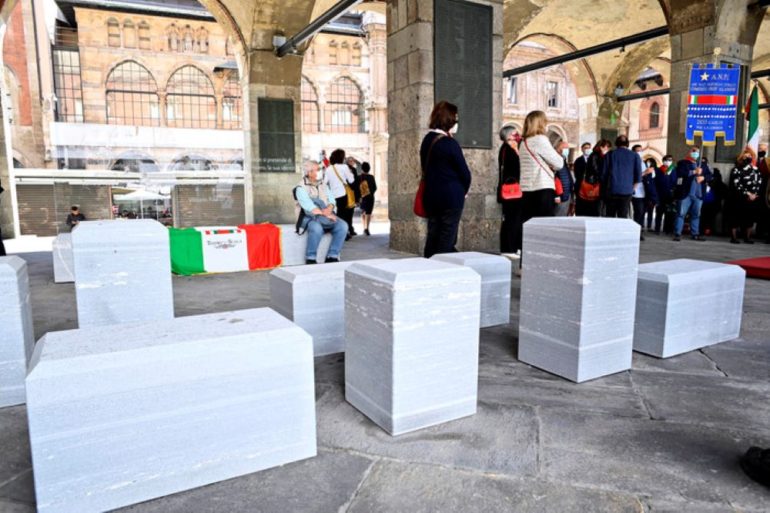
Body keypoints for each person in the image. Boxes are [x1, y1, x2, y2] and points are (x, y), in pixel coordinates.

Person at [420, 100, 471, 258]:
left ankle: (428, 265)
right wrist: (464, 191)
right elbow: (465, 173)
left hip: (431, 196)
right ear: (449, 120)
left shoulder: (427, 140)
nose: (457, 121)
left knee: (433, 234)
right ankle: (442, 270)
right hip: (451, 197)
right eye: (456, 118)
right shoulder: (450, 143)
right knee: (447, 238)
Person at [294, 159, 348, 263]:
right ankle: (311, 257)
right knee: (316, 227)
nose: (320, 172)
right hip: (308, 217)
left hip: (325, 215)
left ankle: (332, 255)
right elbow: (310, 207)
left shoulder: (323, 184)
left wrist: (330, 207)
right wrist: (327, 215)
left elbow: (332, 200)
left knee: (342, 226)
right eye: (317, 170)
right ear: (309, 173)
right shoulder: (300, 187)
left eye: (320, 169)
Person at [519, 110, 564, 226]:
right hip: (541, 188)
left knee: (529, 226)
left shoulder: (523, 143)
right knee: (544, 227)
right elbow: (559, 163)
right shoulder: (540, 139)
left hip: (525, 189)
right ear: (540, 123)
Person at [672, 146, 711, 241]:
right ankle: (677, 233)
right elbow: (680, 173)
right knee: (681, 214)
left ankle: (695, 234)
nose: (695, 153)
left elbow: (710, 175)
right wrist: (694, 171)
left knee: (696, 215)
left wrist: (704, 178)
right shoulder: (683, 163)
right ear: (689, 152)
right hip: (686, 193)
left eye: (697, 152)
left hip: (698, 194)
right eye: (693, 151)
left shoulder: (702, 164)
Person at [496, 125, 522, 256]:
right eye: (515, 134)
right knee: (511, 219)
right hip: (511, 190)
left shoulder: (511, 148)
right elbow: (514, 169)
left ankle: (513, 246)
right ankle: (508, 248)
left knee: (514, 218)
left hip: (512, 190)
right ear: (508, 136)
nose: (517, 136)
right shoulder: (507, 149)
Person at [601, 135, 642, 219]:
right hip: (626, 191)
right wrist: (632, 189)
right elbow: (638, 176)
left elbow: (603, 175)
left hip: (611, 191)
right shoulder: (635, 156)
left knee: (610, 216)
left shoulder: (609, 155)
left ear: (616, 143)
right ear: (627, 144)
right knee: (623, 216)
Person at [726, 148, 761, 244]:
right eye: (746, 156)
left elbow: (758, 182)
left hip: (752, 199)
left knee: (749, 218)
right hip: (739, 198)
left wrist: (754, 194)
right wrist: (748, 194)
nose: (748, 158)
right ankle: (734, 237)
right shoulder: (736, 169)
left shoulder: (756, 170)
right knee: (735, 218)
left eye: (750, 156)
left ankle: (747, 237)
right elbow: (737, 184)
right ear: (742, 158)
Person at [325, 149, 356, 241]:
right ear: (341, 157)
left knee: (336, 214)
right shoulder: (344, 167)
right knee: (344, 215)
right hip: (343, 194)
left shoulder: (329, 169)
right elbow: (351, 180)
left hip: (332, 195)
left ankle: (337, 232)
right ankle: (344, 234)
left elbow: (324, 182)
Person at [575, 140, 610, 217]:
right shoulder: (595, 155)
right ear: (601, 147)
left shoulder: (599, 156)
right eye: (606, 147)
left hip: (595, 183)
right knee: (593, 207)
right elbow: (596, 170)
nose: (607, 149)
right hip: (593, 184)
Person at [700, 168, 727, 236]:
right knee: (711, 219)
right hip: (715, 204)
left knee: (704, 218)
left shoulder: (707, 181)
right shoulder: (720, 183)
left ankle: (703, 230)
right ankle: (709, 230)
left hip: (706, 203)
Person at [654, 154, 676, 234]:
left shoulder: (674, 170)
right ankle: (657, 229)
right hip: (660, 195)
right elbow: (655, 183)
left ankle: (667, 229)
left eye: (670, 160)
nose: (668, 161)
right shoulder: (658, 170)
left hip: (670, 196)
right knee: (659, 213)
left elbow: (676, 182)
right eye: (666, 160)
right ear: (663, 161)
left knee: (669, 213)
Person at [553, 139, 574, 217]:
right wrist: (556, 195)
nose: (567, 150)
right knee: (558, 217)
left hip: (566, 193)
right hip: (560, 194)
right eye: (565, 148)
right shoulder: (554, 160)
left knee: (564, 216)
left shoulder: (563, 160)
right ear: (558, 149)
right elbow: (554, 178)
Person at [358, 162, 377, 236]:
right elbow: (375, 187)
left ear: (362, 168)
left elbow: (357, 188)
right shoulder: (371, 177)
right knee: (368, 213)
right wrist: (371, 193)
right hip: (370, 197)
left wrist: (359, 196)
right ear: (369, 169)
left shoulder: (359, 177)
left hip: (362, 197)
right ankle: (367, 228)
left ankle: (364, 227)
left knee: (363, 212)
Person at [642, 158, 660, 233]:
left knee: (650, 211)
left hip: (653, 194)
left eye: (651, 163)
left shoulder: (656, 171)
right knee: (642, 211)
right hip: (644, 193)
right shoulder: (644, 171)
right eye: (648, 162)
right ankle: (641, 225)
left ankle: (649, 226)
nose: (649, 164)